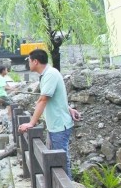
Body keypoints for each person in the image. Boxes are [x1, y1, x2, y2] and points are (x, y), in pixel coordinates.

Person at [18, 49, 81, 180]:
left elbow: (43, 99)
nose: (28, 64)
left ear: (35, 61)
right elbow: (56, 96)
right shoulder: (48, 74)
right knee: (58, 158)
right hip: (56, 124)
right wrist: (69, 108)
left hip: (59, 125)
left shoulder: (50, 74)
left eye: (29, 61)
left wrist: (31, 123)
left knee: (60, 160)